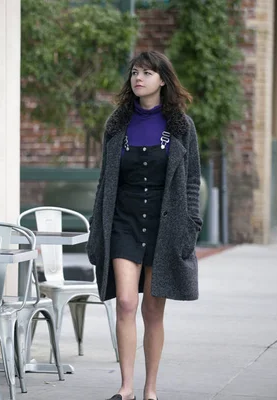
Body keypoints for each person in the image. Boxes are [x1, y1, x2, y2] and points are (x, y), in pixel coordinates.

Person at [86, 50, 203, 400]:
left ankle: (150, 390)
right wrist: (97, 226)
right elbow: (105, 182)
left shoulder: (181, 126)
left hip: (165, 226)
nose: (139, 78)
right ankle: (126, 389)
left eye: (147, 73)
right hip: (124, 221)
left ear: (162, 80)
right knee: (125, 303)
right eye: (135, 72)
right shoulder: (116, 124)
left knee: (153, 310)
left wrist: (190, 226)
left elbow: (192, 182)